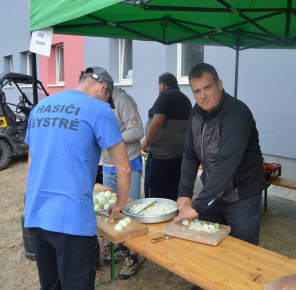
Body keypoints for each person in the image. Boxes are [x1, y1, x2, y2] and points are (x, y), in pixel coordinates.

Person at [24, 67, 131, 289]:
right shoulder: (100, 110)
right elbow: (124, 168)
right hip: (71, 221)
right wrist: (119, 203)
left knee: (51, 285)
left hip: (36, 216)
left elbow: (31, 164)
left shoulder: (40, 107)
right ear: (103, 87)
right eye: (107, 97)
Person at [175, 63, 265, 246]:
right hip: (213, 194)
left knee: (242, 251)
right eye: (197, 91)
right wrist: (184, 193)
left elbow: (226, 165)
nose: (203, 96)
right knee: (210, 246)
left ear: (220, 85)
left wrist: (197, 206)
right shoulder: (196, 113)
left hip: (242, 196)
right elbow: (190, 154)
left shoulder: (237, 114)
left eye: (207, 87)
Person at [100, 87, 145, 279]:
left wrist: (113, 140)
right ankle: (120, 246)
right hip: (107, 164)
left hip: (129, 162)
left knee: (130, 210)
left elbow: (138, 130)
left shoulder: (123, 100)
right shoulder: (97, 104)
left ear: (103, 88)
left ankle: (133, 257)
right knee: (112, 209)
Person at [141, 72, 192, 201]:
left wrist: (146, 142)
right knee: (172, 195)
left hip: (160, 157)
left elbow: (158, 120)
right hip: (178, 156)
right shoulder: (185, 99)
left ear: (163, 85)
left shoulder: (164, 96)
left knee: (154, 196)